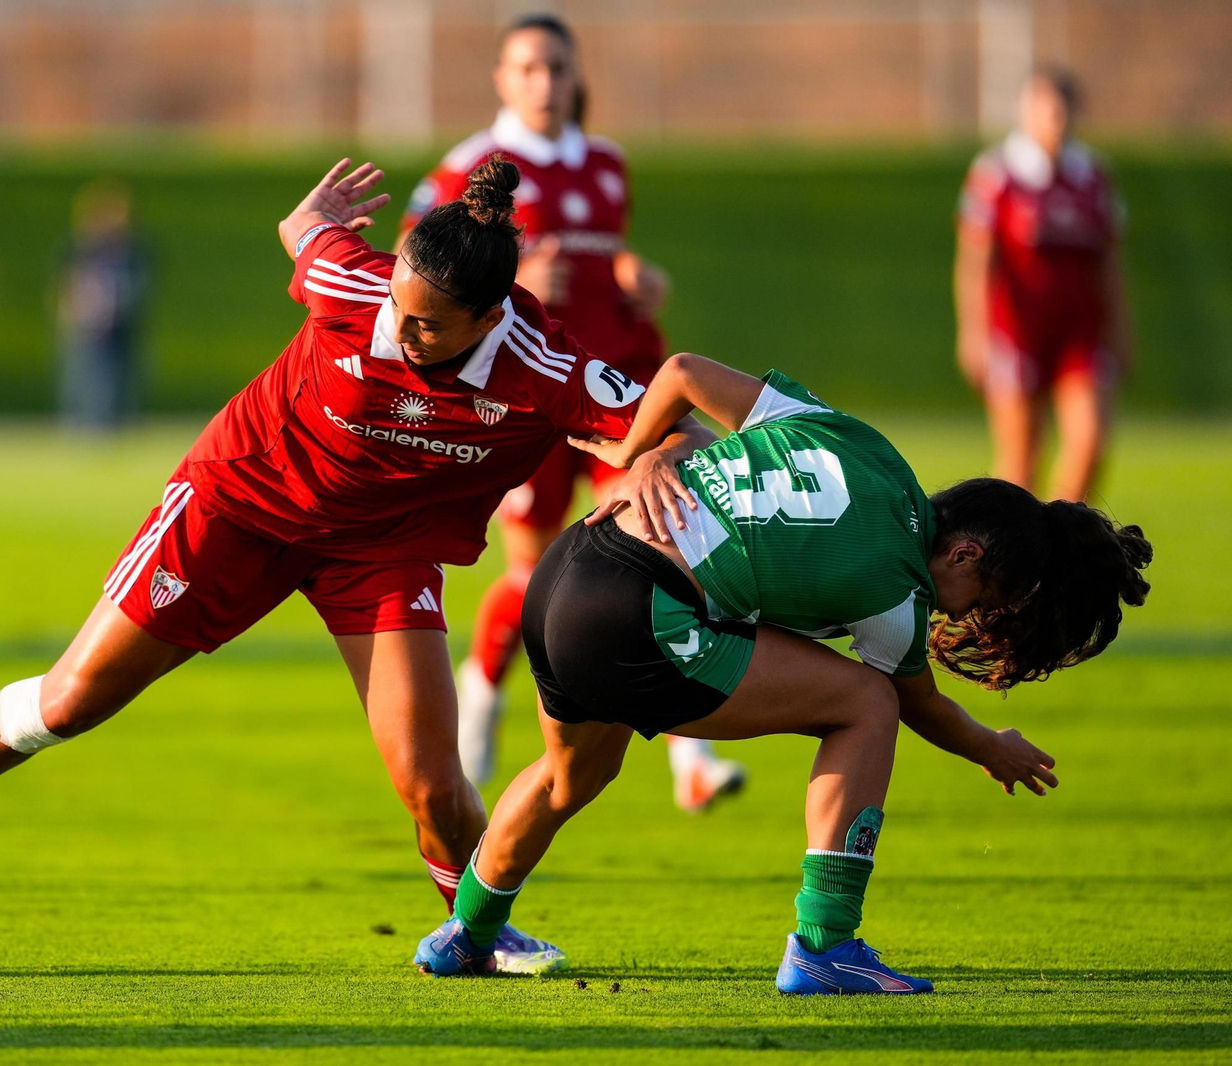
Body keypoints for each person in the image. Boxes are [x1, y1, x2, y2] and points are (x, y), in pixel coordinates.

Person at [0, 156, 709, 974]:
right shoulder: (352, 286)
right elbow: (306, 234)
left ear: (489, 316)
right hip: (239, 503)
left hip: (381, 546)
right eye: (396, 305)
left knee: (434, 786)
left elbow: (670, 423)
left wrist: (662, 449)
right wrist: (311, 215)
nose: (399, 330)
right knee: (70, 701)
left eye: (428, 325)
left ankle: (474, 932)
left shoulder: (537, 364)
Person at [414, 356, 1151, 992]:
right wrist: (991, 746)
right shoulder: (899, 588)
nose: (969, 617)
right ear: (964, 555)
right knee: (866, 701)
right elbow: (918, 704)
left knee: (566, 778)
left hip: (566, 571)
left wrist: (635, 456)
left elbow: (682, 373)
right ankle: (826, 946)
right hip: (636, 613)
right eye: (984, 597)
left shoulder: (861, 442)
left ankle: (465, 935)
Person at [398, 12, 744, 809]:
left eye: (557, 68)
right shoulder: (467, 168)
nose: (545, 84)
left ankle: (689, 756)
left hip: (616, 388)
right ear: (501, 79)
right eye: (528, 69)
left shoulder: (608, 165)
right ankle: (482, 688)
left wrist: (636, 278)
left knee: (664, 549)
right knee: (533, 572)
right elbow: (417, 275)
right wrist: (516, 290)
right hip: (525, 398)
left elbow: (605, 257)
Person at [955, 66, 1130, 503]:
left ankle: (1061, 543)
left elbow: (1109, 262)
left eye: (1062, 110)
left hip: (1079, 332)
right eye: (1044, 109)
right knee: (1020, 460)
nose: (1055, 120)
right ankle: (1014, 557)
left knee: (1090, 441)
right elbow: (976, 260)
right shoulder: (998, 174)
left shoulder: (1093, 177)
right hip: (1017, 332)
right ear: (1025, 111)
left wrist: (1122, 329)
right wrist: (973, 332)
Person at [55, 179, 150, 431]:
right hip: (87, 321)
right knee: (83, 372)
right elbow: (67, 282)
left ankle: (116, 418)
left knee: (120, 372)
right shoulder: (80, 248)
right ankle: (82, 419)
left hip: (120, 320)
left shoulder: (131, 249)